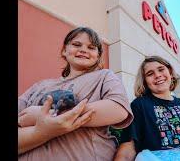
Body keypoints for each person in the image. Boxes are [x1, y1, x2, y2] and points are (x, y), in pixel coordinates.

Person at [18, 27, 134, 161]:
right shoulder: (39, 86)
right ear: (64, 50)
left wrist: (47, 115)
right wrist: (41, 132)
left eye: (91, 47)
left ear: (98, 56)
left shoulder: (104, 77)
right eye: (76, 44)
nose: (83, 50)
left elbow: (118, 109)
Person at [113, 56, 180, 161]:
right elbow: (128, 148)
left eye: (161, 69)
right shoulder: (139, 105)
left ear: (169, 72)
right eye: (150, 74)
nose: (158, 75)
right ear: (145, 81)